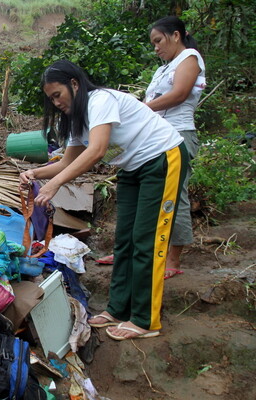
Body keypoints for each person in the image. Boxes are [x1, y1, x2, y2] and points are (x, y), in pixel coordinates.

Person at [19, 60, 188, 340]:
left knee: (148, 240)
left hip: (162, 159)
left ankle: (147, 321)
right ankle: (118, 308)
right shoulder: (77, 120)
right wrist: (34, 173)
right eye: (51, 99)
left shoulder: (100, 100)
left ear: (74, 84)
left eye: (57, 94)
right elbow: (66, 162)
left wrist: (54, 186)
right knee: (125, 240)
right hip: (133, 168)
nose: (56, 102)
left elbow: (96, 151)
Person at [95, 16, 206, 280]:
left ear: (176, 35)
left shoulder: (189, 58)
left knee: (174, 196)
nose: (156, 47)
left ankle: (173, 259)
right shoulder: (162, 70)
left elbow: (179, 94)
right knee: (138, 198)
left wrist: (140, 109)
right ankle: (128, 252)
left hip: (177, 135)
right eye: (153, 43)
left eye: (159, 41)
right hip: (150, 139)